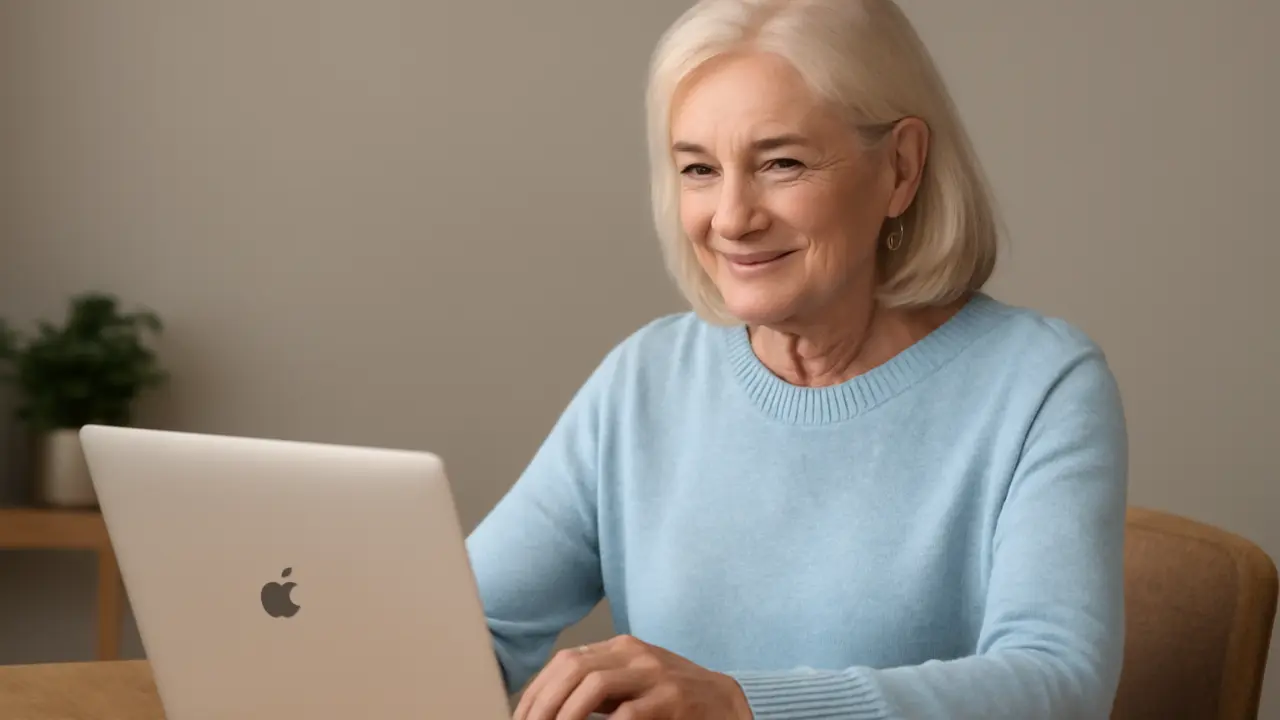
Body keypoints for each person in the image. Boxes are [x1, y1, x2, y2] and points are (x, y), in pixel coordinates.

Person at [465, 0, 1129, 718]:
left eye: (781, 163)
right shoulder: (645, 379)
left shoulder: (1039, 385)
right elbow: (467, 627)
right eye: (698, 169)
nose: (730, 217)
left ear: (901, 169)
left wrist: (744, 705)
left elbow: (1058, 685)